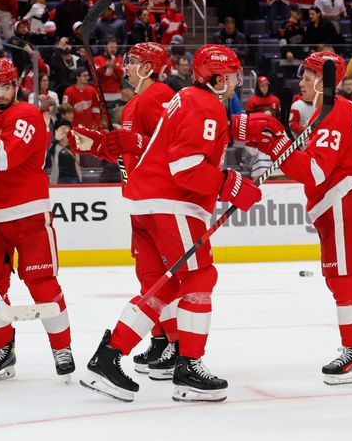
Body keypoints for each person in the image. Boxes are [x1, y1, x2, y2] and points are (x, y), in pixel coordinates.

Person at [80, 45, 261, 402]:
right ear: (217, 76)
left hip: (147, 200)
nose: (236, 82)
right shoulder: (205, 104)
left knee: (166, 284)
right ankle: (188, 367)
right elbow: (186, 167)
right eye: (232, 75)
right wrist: (231, 184)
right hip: (171, 202)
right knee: (198, 276)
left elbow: (165, 147)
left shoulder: (188, 98)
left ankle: (109, 356)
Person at [232, 51, 352, 384]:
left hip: (342, 201)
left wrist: (278, 146)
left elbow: (313, 172)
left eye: (309, 76)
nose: (302, 82)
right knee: (340, 277)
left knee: (343, 279)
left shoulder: (334, 112)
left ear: (324, 81)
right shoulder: (333, 111)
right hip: (336, 202)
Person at [0, 58, 74, 382]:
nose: (0, 93)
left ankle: (62, 347)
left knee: (43, 284)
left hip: (29, 213)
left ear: (16, 84)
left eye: (5, 86)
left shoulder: (28, 115)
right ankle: (2, 349)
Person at [69, 42, 178, 375]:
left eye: (131, 62)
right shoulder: (134, 103)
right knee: (149, 278)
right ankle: (161, 340)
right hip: (140, 200)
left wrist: (132, 143)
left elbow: (170, 145)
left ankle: (178, 345)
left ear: (148, 66)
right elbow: (132, 155)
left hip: (160, 201)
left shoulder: (157, 94)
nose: (124, 67)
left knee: (165, 279)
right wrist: (101, 145)